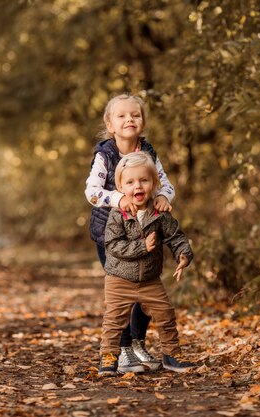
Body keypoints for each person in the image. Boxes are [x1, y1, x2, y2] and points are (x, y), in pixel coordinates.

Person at [85, 94, 175, 372]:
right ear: (110, 124)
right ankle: (122, 350)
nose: (129, 120)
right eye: (122, 116)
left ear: (143, 121)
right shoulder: (105, 155)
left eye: (135, 115)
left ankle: (137, 343)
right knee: (123, 292)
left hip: (146, 232)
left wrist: (162, 197)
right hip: (111, 235)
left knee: (146, 289)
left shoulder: (148, 152)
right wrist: (116, 199)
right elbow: (91, 192)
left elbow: (166, 185)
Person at [98, 152, 196, 376]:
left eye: (144, 180)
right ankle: (109, 356)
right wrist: (143, 246)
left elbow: (175, 236)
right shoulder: (118, 214)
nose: (137, 186)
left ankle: (171, 355)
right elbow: (112, 244)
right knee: (114, 319)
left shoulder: (159, 213)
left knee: (165, 314)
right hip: (119, 279)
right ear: (121, 187)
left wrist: (183, 254)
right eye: (130, 182)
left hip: (150, 279)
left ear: (154, 184)